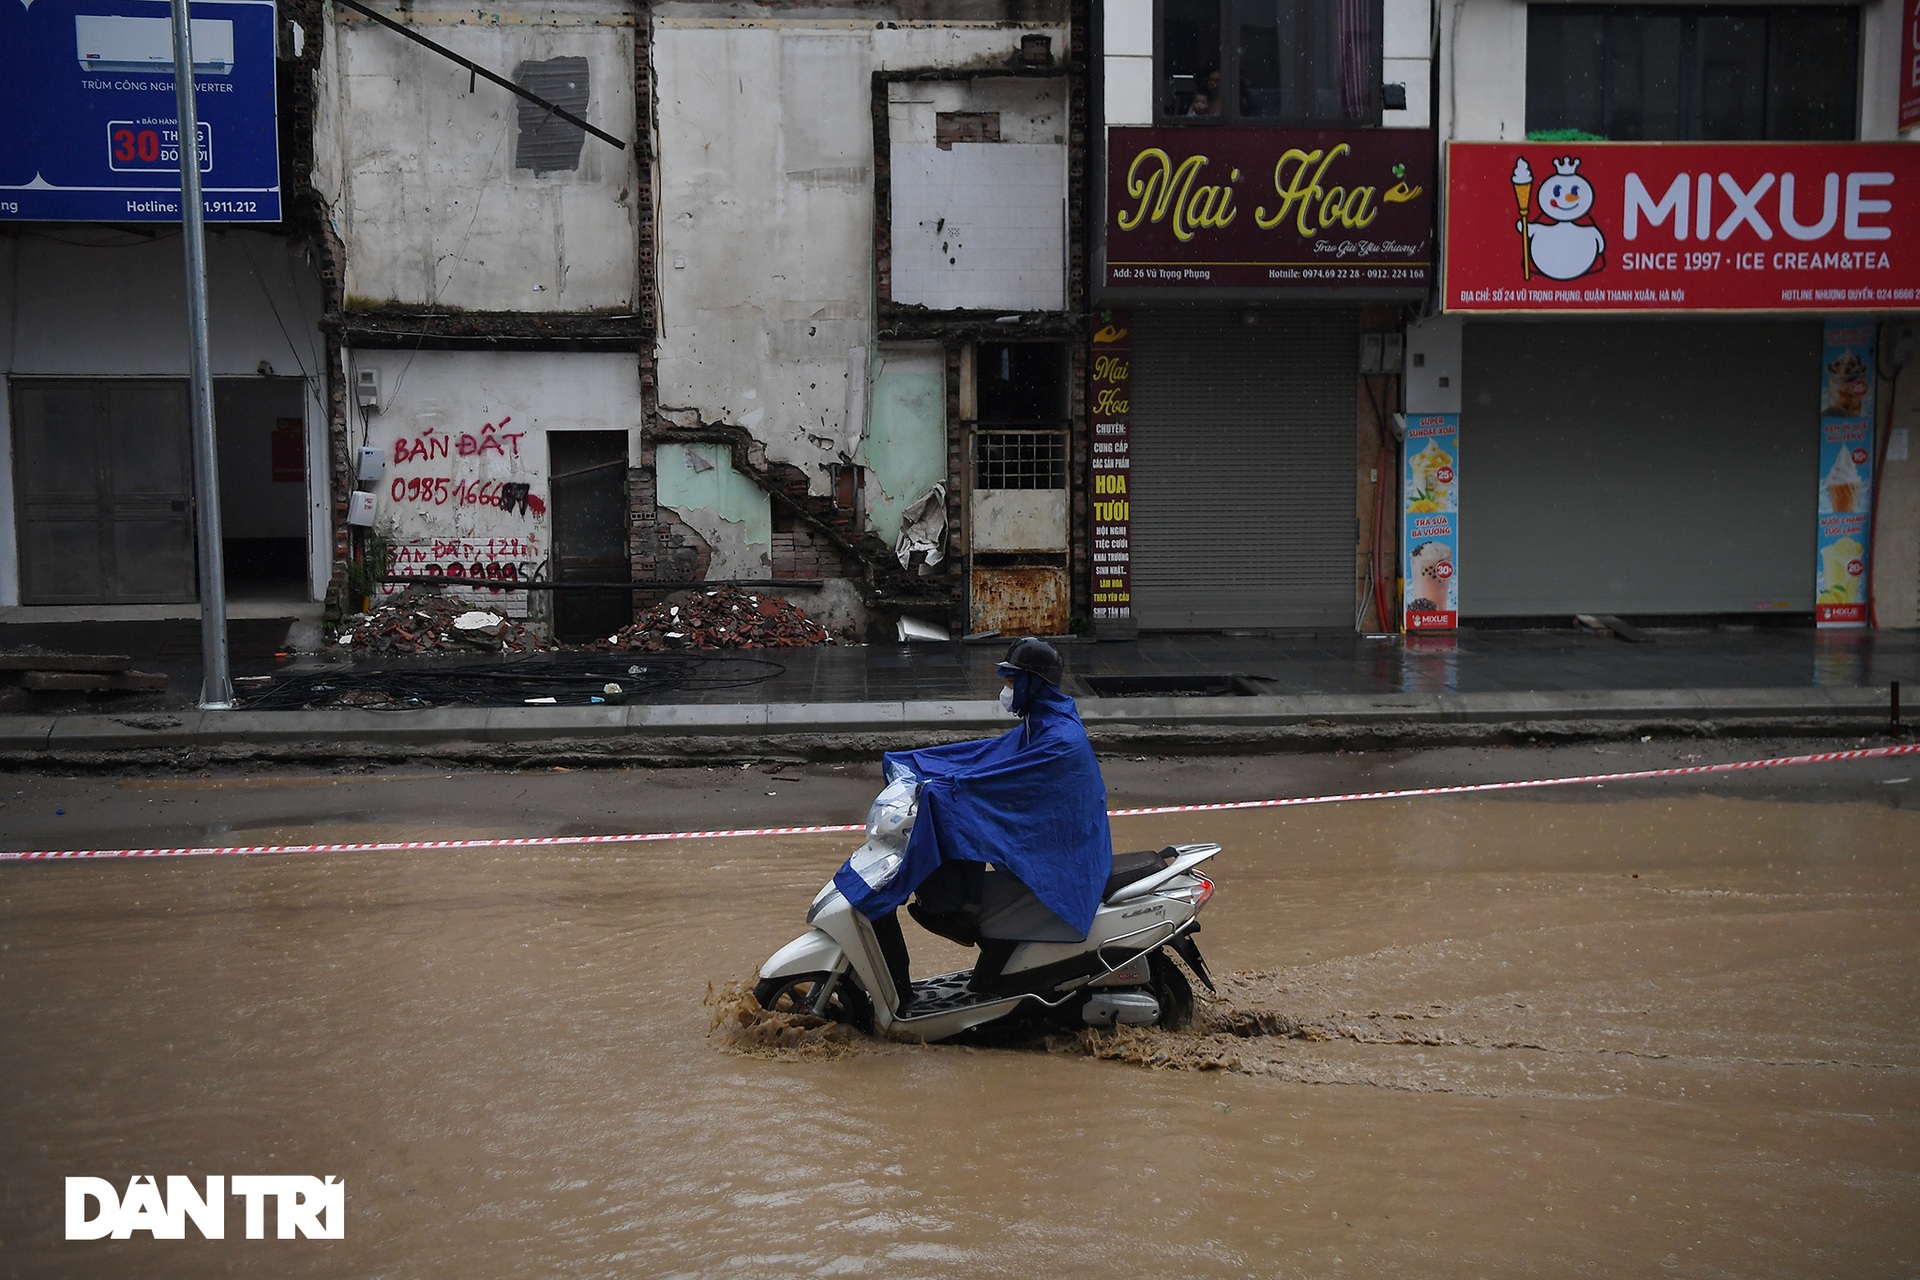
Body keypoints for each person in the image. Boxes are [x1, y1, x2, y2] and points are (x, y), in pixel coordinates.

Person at [833, 637, 1115, 1013]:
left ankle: (953, 909)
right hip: (1060, 850)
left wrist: (939, 791)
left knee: (955, 811)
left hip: (1065, 871)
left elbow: (992, 781)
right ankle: (955, 906)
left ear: (1032, 684)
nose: (1006, 689)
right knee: (955, 808)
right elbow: (986, 757)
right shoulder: (1042, 722)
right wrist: (920, 764)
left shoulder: (1057, 739)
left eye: (1013, 682)